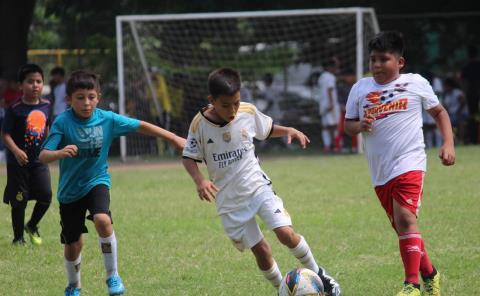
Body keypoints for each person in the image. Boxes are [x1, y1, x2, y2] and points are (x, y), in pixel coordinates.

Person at [182, 68, 341, 296]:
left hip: (257, 186)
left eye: (236, 103)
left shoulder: (247, 111)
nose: (233, 110)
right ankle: (282, 290)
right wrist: (199, 180)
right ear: (212, 101)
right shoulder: (199, 124)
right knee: (262, 252)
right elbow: (188, 156)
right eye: (226, 105)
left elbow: (265, 130)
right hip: (229, 200)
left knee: (285, 233)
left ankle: (321, 277)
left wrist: (289, 130)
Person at [39, 70, 186, 296]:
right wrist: (59, 153)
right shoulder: (62, 122)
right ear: (68, 100)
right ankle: (73, 284)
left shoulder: (107, 119)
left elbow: (141, 125)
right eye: (80, 97)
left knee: (102, 220)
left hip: (97, 181)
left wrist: (174, 138)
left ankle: (113, 276)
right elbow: (43, 155)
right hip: (70, 191)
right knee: (73, 244)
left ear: (98, 96)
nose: (86, 103)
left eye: (91, 96)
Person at [344, 31, 455, 296]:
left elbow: (439, 112)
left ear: (400, 62)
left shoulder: (416, 83)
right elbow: (348, 125)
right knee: (403, 227)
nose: (377, 65)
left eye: (384, 59)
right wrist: (359, 125)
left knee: (406, 219)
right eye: (373, 59)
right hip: (380, 171)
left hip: (410, 162)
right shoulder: (360, 88)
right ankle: (430, 274)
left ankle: (411, 285)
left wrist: (448, 143)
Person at [1, 64, 53, 246]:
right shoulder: (14, 108)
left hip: (39, 161)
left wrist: (50, 148)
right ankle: (18, 238)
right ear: (21, 85)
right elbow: (5, 134)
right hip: (18, 163)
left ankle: (31, 225)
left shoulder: (47, 106)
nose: (35, 85)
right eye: (30, 81)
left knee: (46, 195)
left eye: (39, 81)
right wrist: (16, 151)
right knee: (19, 200)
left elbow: (48, 128)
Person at [317, 57, 340, 152]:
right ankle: (334, 146)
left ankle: (327, 145)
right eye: (336, 66)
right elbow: (330, 90)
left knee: (326, 126)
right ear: (331, 67)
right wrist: (331, 103)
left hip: (322, 104)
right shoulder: (330, 77)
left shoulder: (321, 77)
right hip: (330, 104)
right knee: (333, 125)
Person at [460, 45, 480, 144]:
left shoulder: (466, 67)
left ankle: (473, 138)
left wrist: (465, 93)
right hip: (477, 93)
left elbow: (464, 82)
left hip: (471, 95)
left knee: (472, 117)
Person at [442, 77, 468, 144]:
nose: (444, 88)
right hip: (452, 115)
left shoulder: (457, 92)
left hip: (461, 113)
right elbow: (445, 107)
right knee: (447, 124)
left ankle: (461, 140)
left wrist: (458, 112)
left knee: (461, 122)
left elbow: (463, 102)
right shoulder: (446, 96)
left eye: (445, 86)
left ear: (449, 86)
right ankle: (453, 141)